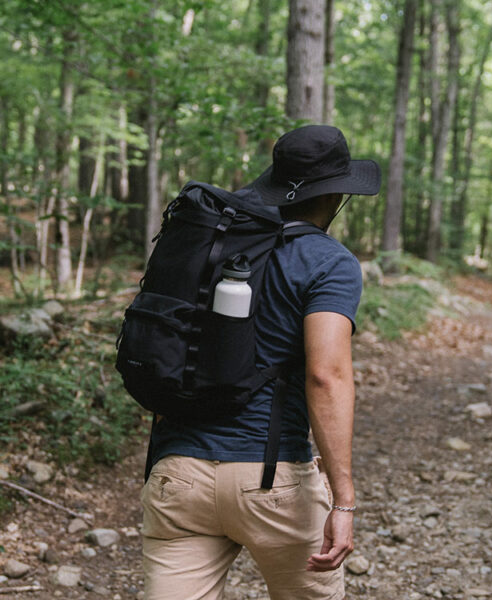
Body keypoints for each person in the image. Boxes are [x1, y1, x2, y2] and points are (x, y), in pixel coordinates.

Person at [140, 124, 380, 600]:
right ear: (335, 194)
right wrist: (344, 502)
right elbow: (325, 375)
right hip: (273, 483)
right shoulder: (329, 262)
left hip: (177, 476)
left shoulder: (206, 246)